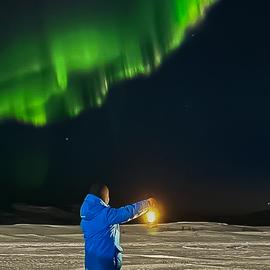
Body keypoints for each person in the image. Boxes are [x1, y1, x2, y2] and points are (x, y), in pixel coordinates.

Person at [80, 183, 157, 270]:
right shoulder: (105, 215)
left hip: (90, 264)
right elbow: (127, 212)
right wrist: (148, 203)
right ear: (104, 197)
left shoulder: (85, 217)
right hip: (105, 264)